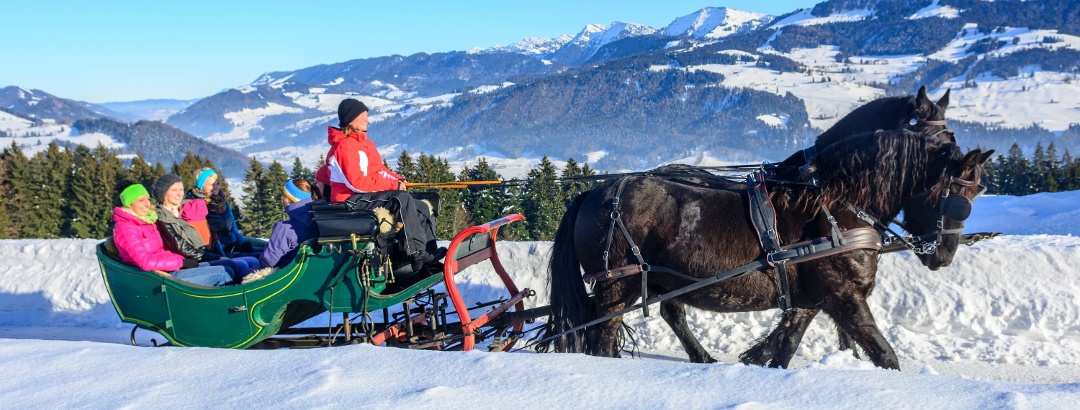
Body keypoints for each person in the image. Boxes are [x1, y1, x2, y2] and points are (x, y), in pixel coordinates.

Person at [315, 98, 444, 271]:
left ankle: (429, 254)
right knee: (401, 199)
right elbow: (356, 183)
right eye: (362, 116)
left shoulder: (366, 144)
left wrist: (397, 179)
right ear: (350, 119)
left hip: (363, 195)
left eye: (366, 115)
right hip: (349, 200)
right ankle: (416, 254)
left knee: (420, 206)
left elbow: (379, 170)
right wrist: (392, 186)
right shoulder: (344, 147)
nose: (366, 119)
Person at [111, 184, 233, 287]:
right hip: (160, 278)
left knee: (229, 265)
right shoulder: (126, 229)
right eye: (141, 201)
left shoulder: (147, 221)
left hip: (170, 268)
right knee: (223, 273)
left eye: (148, 199)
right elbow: (145, 262)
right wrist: (181, 262)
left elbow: (165, 249)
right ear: (129, 204)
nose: (147, 204)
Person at [151, 174, 259, 280]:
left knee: (243, 263)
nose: (179, 194)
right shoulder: (162, 218)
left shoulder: (181, 212)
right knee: (232, 268)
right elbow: (182, 247)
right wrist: (215, 257)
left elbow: (208, 236)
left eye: (181, 189)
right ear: (163, 193)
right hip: (188, 262)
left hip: (202, 255)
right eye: (174, 190)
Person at [254, 179, 320, 271]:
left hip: (279, 273)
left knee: (238, 266)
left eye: (285, 195)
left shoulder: (284, 228)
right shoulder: (317, 221)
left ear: (293, 199)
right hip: (300, 270)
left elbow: (268, 262)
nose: (282, 198)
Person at [186, 168, 256, 254]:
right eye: (212, 184)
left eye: (217, 184)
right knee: (256, 258)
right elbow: (206, 237)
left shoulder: (222, 202)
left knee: (264, 247)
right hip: (219, 249)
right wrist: (224, 249)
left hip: (232, 242)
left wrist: (243, 243)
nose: (216, 187)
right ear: (201, 186)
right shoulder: (197, 205)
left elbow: (233, 229)